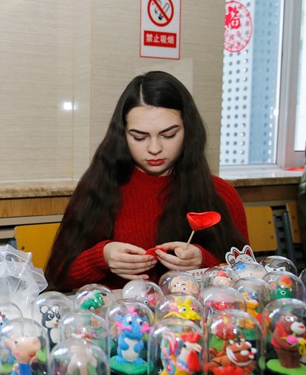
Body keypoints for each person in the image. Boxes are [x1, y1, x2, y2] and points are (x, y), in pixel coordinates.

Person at [44, 71, 249, 292]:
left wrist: (203, 262)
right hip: (120, 322)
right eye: (139, 137)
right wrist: (100, 258)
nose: (154, 149)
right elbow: (57, 277)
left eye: (168, 135)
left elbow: (247, 277)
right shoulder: (99, 188)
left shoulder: (220, 194)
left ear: (189, 130)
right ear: (122, 135)